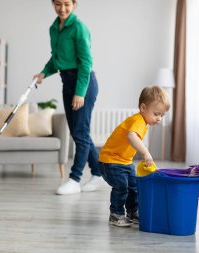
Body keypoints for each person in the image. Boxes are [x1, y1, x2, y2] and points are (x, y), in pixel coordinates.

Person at [33, 0, 103, 195]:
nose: (62, 8)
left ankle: (74, 179)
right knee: (79, 132)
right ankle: (97, 174)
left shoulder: (79, 28)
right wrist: (43, 74)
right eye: (58, 4)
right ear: (53, 4)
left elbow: (86, 62)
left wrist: (80, 92)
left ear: (74, 5)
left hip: (84, 83)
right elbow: (56, 58)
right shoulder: (54, 28)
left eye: (66, 4)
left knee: (80, 133)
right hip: (67, 82)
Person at [98, 86, 170, 227]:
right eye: (156, 114)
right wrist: (145, 153)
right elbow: (131, 136)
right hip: (111, 161)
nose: (159, 119)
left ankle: (132, 212)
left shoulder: (143, 122)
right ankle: (116, 214)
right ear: (143, 108)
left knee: (134, 186)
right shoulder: (138, 120)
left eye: (162, 115)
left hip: (124, 162)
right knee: (122, 187)